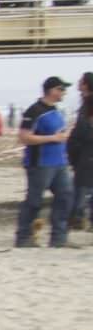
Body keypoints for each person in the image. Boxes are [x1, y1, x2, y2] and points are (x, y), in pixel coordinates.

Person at [14, 76, 73, 248]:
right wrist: (53, 138)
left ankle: (59, 238)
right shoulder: (34, 111)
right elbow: (24, 137)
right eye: (61, 89)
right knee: (34, 201)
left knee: (65, 196)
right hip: (40, 163)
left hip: (59, 162)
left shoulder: (57, 110)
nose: (64, 93)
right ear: (51, 90)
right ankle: (24, 237)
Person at [70, 72, 93, 230]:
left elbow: (87, 127)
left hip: (88, 149)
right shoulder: (85, 102)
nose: (78, 83)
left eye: (80, 81)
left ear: (86, 84)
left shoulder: (90, 103)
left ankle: (79, 217)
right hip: (82, 149)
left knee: (83, 185)